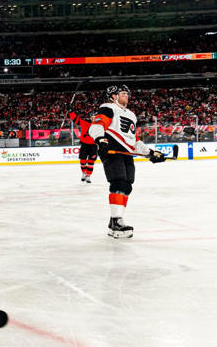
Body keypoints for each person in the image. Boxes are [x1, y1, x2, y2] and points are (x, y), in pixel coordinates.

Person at [88, 85, 166, 239]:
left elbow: (133, 140)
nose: (127, 96)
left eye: (127, 94)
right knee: (118, 183)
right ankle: (117, 221)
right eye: (123, 94)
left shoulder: (131, 115)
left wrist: (150, 153)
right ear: (113, 96)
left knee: (127, 185)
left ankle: (114, 222)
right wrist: (100, 140)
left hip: (126, 152)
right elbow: (97, 125)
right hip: (112, 150)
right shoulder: (108, 108)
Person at [68, 111, 97, 183]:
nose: (94, 118)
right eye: (93, 117)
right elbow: (75, 119)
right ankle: (84, 173)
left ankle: (88, 176)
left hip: (93, 146)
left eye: (95, 117)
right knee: (83, 161)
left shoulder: (99, 126)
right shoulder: (84, 123)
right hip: (84, 145)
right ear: (90, 118)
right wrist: (71, 112)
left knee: (91, 162)